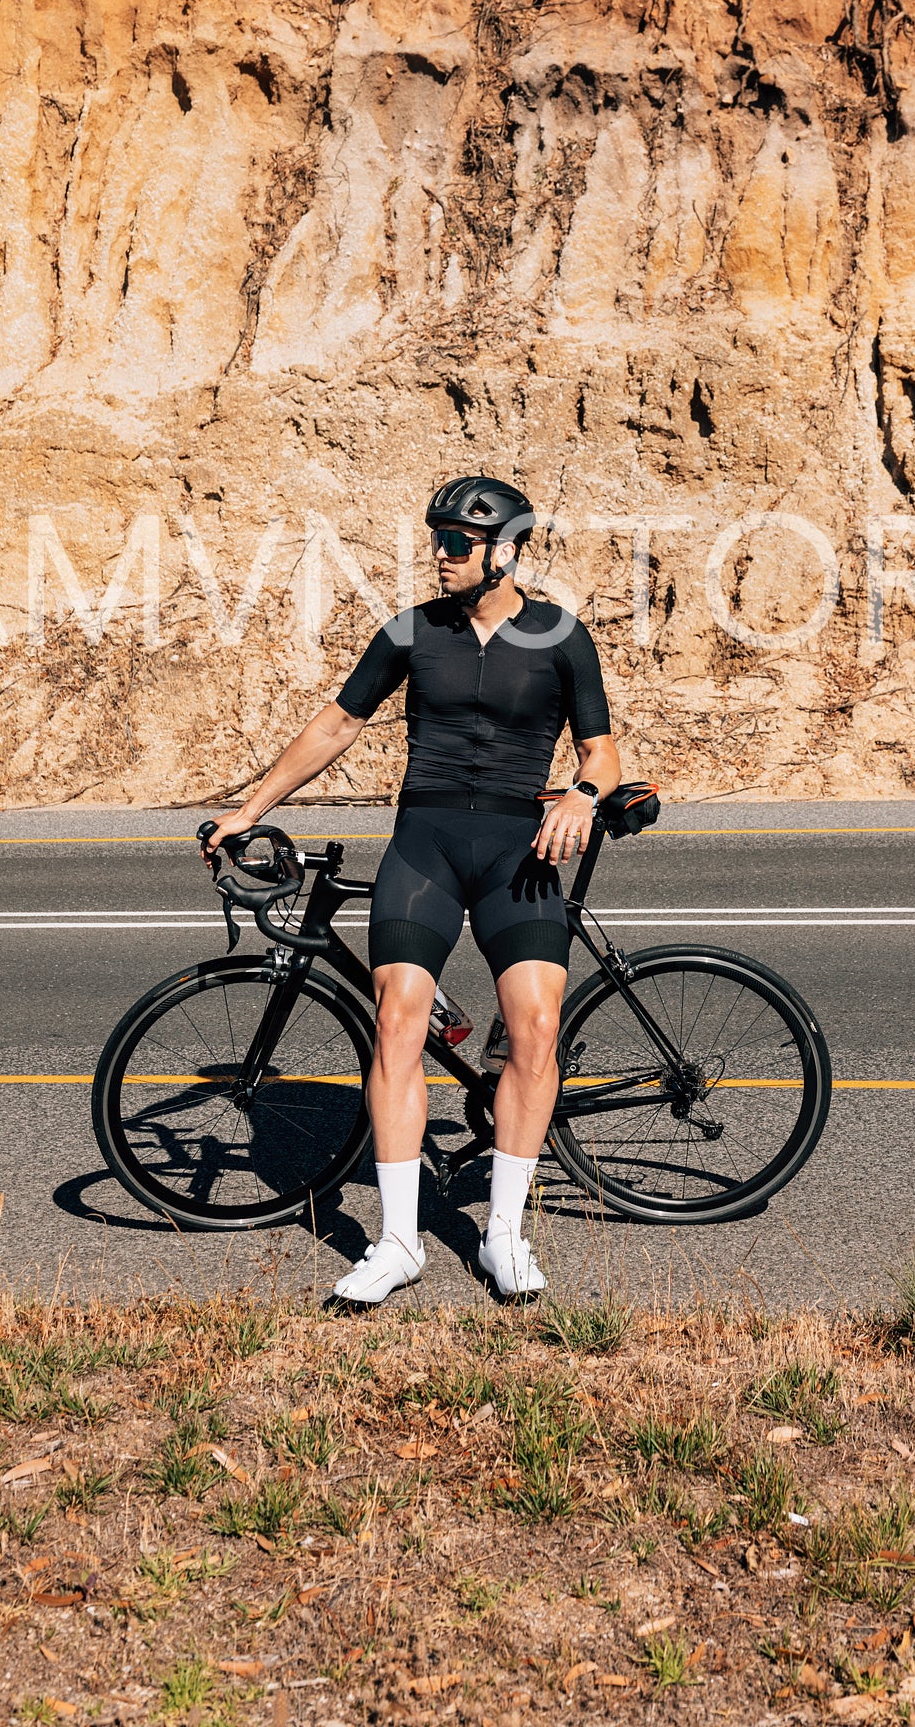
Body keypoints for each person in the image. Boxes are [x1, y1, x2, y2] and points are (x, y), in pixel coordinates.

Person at [202, 476, 620, 1303]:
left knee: (534, 1030)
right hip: (424, 844)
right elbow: (335, 723)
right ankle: (397, 1244)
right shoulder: (409, 632)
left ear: (503, 552)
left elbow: (599, 753)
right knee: (396, 1022)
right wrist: (247, 808)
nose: (439, 554)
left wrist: (584, 794)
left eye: (456, 543)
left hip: (518, 854)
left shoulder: (561, 638)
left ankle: (503, 1236)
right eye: (435, 539)